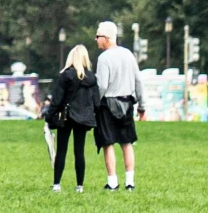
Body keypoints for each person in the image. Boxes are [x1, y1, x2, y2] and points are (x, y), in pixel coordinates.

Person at [94, 19, 145, 193]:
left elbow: (101, 85)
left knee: (108, 143)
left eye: (98, 36)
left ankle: (113, 182)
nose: (96, 39)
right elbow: (138, 80)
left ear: (106, 38)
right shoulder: (128, 55)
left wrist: (94, 103)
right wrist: (142, 105)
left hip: (108, 103)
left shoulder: (104, 58)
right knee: (127, 142)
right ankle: (130, 182)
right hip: (127, 102)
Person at [46, 46, 100, 193]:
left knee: (62, 150)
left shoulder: (66, 76)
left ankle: (57, 184)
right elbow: (96, 102)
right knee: (79, 151)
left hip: (67, 116)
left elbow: (57, 99)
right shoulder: (91, 78)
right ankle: (80, 186)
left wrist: (49, 116)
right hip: (83, 118)